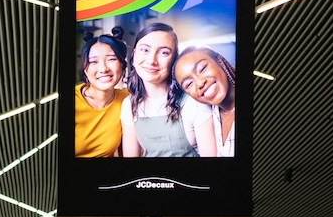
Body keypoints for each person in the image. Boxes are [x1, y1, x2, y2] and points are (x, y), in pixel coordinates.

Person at [119, 21, 197, 158]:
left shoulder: (192, 101)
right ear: (134, 55)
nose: (151, 60)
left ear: (174, 60)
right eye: (145, 50)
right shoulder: (128, 104)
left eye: (164, 52)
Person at [177, 47, 237, 158]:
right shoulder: (211, 114)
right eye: (189, 84)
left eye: (203, 68)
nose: (200, 83)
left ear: (219, 61)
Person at [74, 34, 128, 157]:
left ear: (122, 65)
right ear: (85, 69)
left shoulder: (127, 100)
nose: (103, 69)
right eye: (93, 62)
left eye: (111, 59)